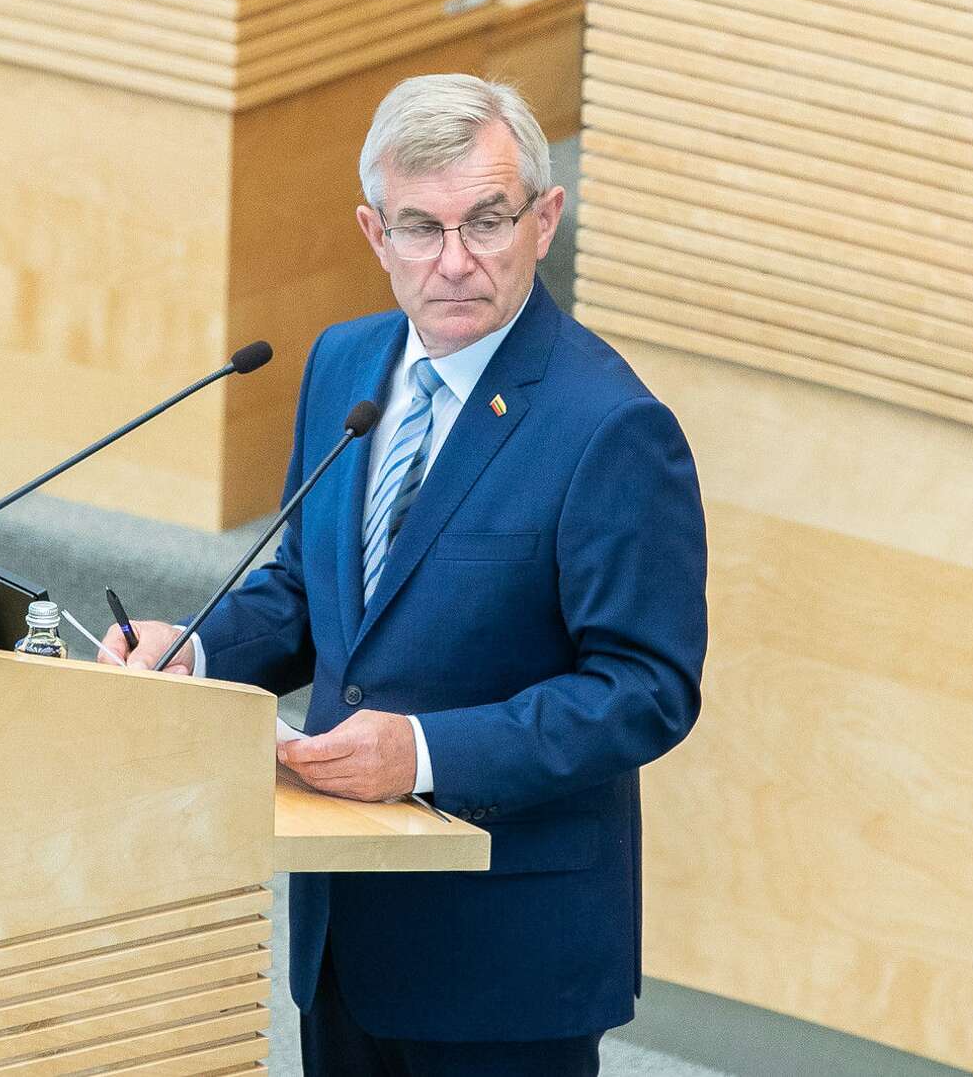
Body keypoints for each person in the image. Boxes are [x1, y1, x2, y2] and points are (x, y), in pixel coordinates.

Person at [105, 73, 706, 1076]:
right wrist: (196, 649)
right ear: (374, 233)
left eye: (486, 221)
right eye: (420, 227)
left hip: (506, 953)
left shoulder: (610, 426)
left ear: (544, 219)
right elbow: (311, 590)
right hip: (344, 924)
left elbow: (645, 689)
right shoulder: (345, 364)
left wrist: (423, 752)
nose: (454, 261)